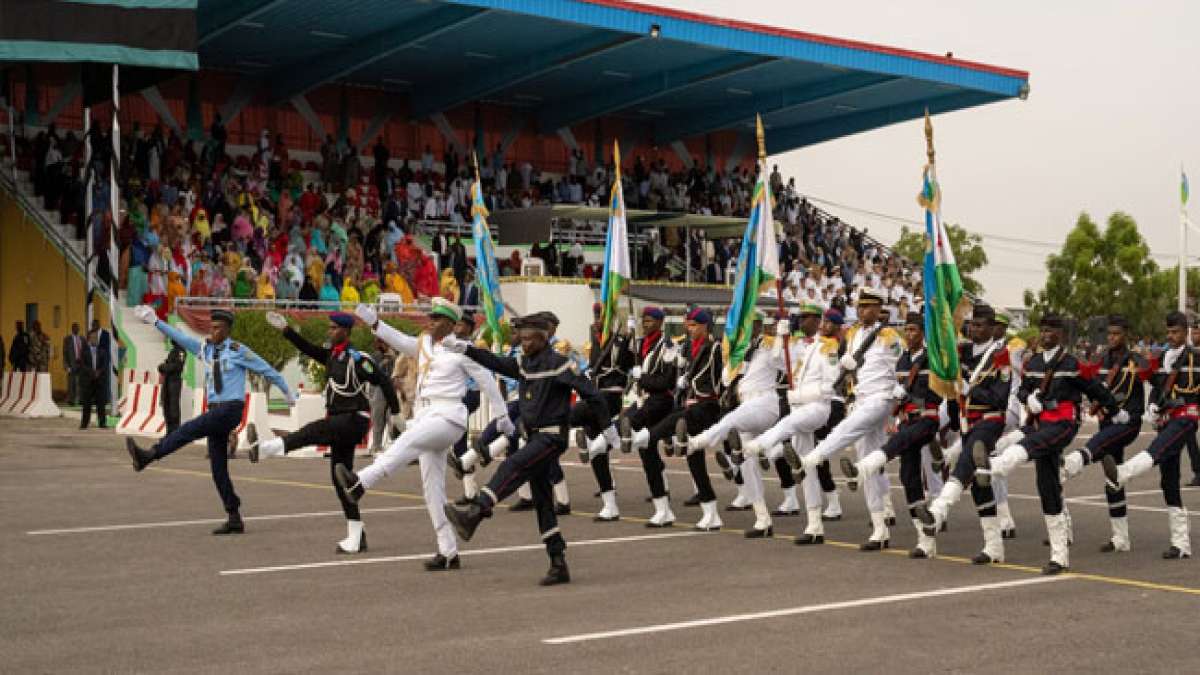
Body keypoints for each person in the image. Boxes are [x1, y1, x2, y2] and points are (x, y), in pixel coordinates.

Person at [334, 299, 507, 571]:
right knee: (432, 489)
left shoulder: (463, 350)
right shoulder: (424, 344)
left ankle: (361, 483)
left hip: (448, 416)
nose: (431, 321)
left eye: (437, 318)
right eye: (431, 317)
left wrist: (503, 418)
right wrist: (374, 322)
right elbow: (400, 340)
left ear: (451, 324)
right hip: (425, 415)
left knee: (408, 440)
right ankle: (448, 551)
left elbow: (487, 382)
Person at [440, 313, 609, 585]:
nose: (525, 343)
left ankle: (476, 512)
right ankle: (558, 562)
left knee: (512, 465)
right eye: (523, 338)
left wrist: (607, 429)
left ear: (544, 339)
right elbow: (495, 362)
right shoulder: (524, 363)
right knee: (543, 502)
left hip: (552, 437)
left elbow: (594, 395)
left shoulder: (560, 365)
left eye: (530, 339)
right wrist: (467, 348)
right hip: (534, 438)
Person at [125, 307, 293, 535]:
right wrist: (156, 322)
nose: (212, 332)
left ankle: (150, 455)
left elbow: (268, 370)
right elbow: (181, 338)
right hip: (216, 410)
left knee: (189, 430)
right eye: (211, 327)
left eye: (217, 328)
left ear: (227, 330)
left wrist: (288, 393)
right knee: (218, 469)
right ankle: (234, 516)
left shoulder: (238, 351)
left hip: (230, 409)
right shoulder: (205, 350)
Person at [980, 313, 1119, 574]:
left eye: (1050, 331)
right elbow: (1022, 389)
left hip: (1065, 422)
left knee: (1033, 443)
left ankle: (998, 463)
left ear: (1061, 334)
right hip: (1042, 420)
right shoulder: (1033, 362)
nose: (1045, 335)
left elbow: (1096, 390)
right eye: (1042, 330)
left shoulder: (1070, 363)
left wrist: (1115, 411)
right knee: (1047, 486)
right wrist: (1028, 397)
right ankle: (1059, 556)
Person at [251, 311, 399, 554]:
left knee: (313, 431)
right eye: (329, 327)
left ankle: (266, 448)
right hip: (341, 423)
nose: (329, 331)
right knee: (341, 480)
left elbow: (383, 380)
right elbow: (308, 349)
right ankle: (356, 535)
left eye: (333, 328)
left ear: (345, 331)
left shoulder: (356, 358)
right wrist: (286, 330)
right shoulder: (333, 356)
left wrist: (397, 414)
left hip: (354, 420)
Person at [795, 289, 901, 550]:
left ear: (878, 309)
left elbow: (903, 365)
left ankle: (813, 457)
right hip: (862, 396)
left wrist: (900, 399)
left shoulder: (890, 336)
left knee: (848, 428)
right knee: (868, 465)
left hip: (882, 398)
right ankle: (879, 530)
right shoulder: (852, 334)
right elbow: (849, 369)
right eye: (861, 307)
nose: (864, 311)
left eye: (869, 307)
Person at [917, 305, 1014, 564]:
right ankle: (994, 547)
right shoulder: (962, 352)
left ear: (993, 328)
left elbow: (1000, 399)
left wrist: (971, 389)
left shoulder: (1001, 357)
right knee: (980, 487)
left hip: (989, 420)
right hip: (966, 422)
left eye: (980, 325)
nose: (974, 329)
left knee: (966, 462)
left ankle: (937, 512)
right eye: (971, 324)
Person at [843, 311, 942, 558]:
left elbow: (940, 394)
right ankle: (925, 541)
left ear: (923, 333)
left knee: (899, 442)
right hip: (907, 419)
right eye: (907, 330)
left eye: (914, 330)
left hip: (927, 417)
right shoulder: (903, 361)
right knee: (909, 477)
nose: (910, 335)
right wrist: (895, 409)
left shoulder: (934, 359)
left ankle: (863, 468)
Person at [1102, 310, 1196, 560]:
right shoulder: (1163, 356)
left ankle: (1123, 472)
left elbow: (1190, 391)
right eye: (1168, 332)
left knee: (1158, 448)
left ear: (1186, 332)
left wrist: (1172, 402)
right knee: (1169, 479)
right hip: (1166, 418)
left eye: (1175, 332)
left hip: (1187, 415)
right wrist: (1153, 406)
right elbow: (1157, 387)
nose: (1171, 336)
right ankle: (1181, 543)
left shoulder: (1193, 357)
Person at [690, 312, 790, 538]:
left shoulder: (769, 344)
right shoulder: (739, 350)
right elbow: (726, 379)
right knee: (747, 464)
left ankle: (699, 441)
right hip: (747, 402)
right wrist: (734, 357)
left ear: (757, 325)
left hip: (766, 402)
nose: (742, 330)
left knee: (731, 422)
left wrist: (783, 340)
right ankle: (762, 520)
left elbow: (783, 364)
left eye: (747, 325)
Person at [1059, 315, 1147, 553]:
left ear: (1126, 334)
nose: (1112, 338)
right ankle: (1121, 538)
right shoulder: (1101, 360)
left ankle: (1076, 461)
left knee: (1100, 446)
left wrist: (1139, 412)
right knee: (1112, 478)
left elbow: (1146, 387)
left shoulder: (1136, 360)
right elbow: (1095, 387)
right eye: (1109, 334)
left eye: (1117, 334)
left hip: (1128, 421)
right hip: (1108, 419)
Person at [570, 303, 634, 522]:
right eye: (595, 314)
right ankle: (610, 506)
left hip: (609, 399)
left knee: (567, 415)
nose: (597, 318)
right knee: (598, 455)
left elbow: (629, 365)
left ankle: (553, 426)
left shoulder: (620, 340)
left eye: (601, 315)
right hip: (595, 398)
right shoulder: (596, 338)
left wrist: (629, 341)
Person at [619, 307, 678, 509]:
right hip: (644, 399)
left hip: (661, 400)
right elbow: (622, 363)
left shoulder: (668, 346)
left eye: (650, 321)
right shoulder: (641, 343)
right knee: (647, 449)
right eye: (643, 321)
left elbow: (667, 382)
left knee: (629, 425)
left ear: (661, 323)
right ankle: (662, 491)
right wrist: (627, 338)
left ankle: (601, 444)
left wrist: (641, 378)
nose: (645, 324)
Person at [367, 338, 397, 456]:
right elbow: (368, 371)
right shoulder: (373, 357)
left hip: (392, 389)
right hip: (378, 391)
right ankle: (376, 447)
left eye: (385, 342)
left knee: (393, 419)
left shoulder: (395, 355)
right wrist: (380, 364)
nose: (383, 345)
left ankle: (394, 448)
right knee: (377, 420)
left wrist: (393, 358)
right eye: (381, 342)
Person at [78, 328, 110, 429]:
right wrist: (92, 372)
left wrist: (99, 372)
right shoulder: (84, 351)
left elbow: (105, 364)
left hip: (100, 380)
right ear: (88, 339)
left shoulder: (103, 351)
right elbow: (83, 365)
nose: (94, 339)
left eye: (96, 338)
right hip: (88, 381)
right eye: (92, 337)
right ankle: (84, 424)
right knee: (87, 403)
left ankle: (102, 423)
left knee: (101, 403)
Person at [158, 341, 186, 434]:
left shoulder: (181, 351)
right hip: (167, 381)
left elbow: (177, 367)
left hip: (175, 381)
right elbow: (166, 364)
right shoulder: (173, 351)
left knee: (173, 407)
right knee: (166, 406)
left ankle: (175, 432)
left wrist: (163, 367)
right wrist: (163, 367)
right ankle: (169, 432)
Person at [63, 323, 84, 406]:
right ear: (72, 329)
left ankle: (81, 399)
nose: (76, 329)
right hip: (72, 363)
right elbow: (64, 353)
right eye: (75, 328)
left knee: (81, 382)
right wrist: (66, 365)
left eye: (77, 328)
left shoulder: (82, 338)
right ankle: (71, 399)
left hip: (81, 363)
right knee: (71, 382)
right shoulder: (67, 339)